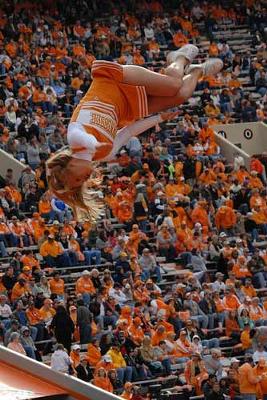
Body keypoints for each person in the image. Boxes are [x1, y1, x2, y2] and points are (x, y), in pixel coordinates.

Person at [46, 46, 223, 221]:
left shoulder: (75, 138)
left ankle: (180, 58)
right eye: (81, 183)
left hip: (114, 80)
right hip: (127, 107)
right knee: (180, 95)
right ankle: (197, 71)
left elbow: (82, 136)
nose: (84, 179)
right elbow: (129, 131)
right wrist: (160, 118)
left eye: (77, 179)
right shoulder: (105, 154)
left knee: (174, 84)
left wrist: (92, 145)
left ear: (68, 166)